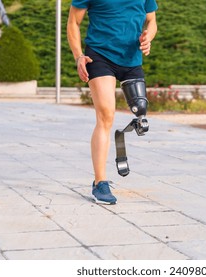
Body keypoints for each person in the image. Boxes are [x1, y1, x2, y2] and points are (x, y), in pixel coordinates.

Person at [67, 0, 158, 204]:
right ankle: (100, 183)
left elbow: (152, 21)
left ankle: (120, 135)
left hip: (132, 59)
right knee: (106, 115)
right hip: (99, 56)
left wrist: (148, 36)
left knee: (140, 108)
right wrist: (78, 56)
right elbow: (73, 21)